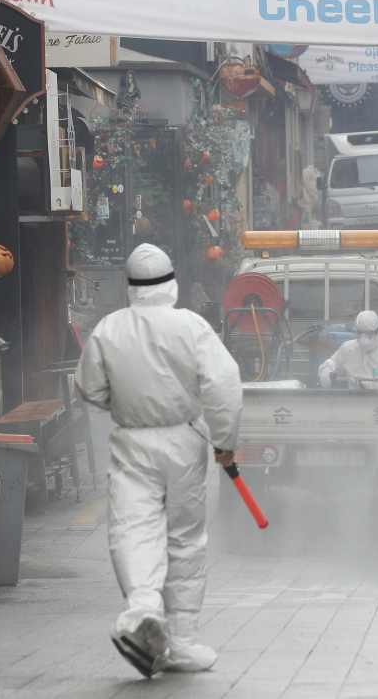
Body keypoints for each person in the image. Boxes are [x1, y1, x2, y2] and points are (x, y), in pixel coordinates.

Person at [76, 243, 242, 678]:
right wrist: (224, 441)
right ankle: (183, 640)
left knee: (134, 528)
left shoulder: (109, 328)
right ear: (172, 283)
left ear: (130, 287)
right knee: (185, 539)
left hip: (131, 441)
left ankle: (143, 610)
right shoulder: (191, 325)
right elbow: (224, 383)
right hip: (185, 440)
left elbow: (89, 388)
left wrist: (124, 401)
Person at [318, 311, 378, 388]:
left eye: (368, 334)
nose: (363, 339)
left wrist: (369, 385)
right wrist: (325, 370)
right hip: (352, 405)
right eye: (359, 333)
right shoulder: (349, 349)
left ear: (377, 331)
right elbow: (334, 362)